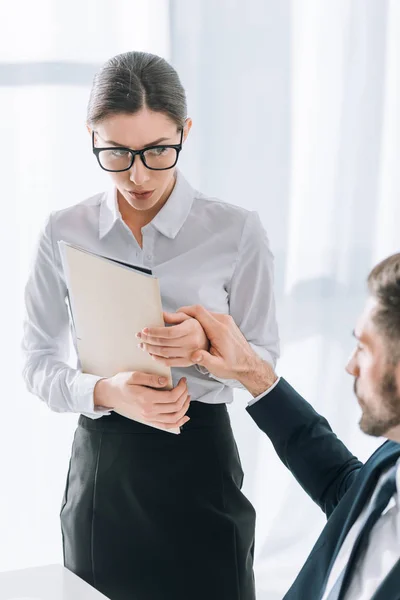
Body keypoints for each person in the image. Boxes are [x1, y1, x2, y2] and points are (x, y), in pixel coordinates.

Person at [21, 51, 279, 600]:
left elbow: (265, 362)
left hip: (203, 468)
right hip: (104, 477)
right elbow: (35, 361)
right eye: (115, 153)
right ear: (91, 135)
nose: (137, 174)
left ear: (185, 132)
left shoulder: (236, 231)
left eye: (158, 150)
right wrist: (105, 391)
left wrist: (210, 342)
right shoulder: (62, 230)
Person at [174, 253, 400, 600]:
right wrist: (252, 372)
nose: (350, 366)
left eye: (363, 348)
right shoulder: (392, 458)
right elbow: (347, 491)